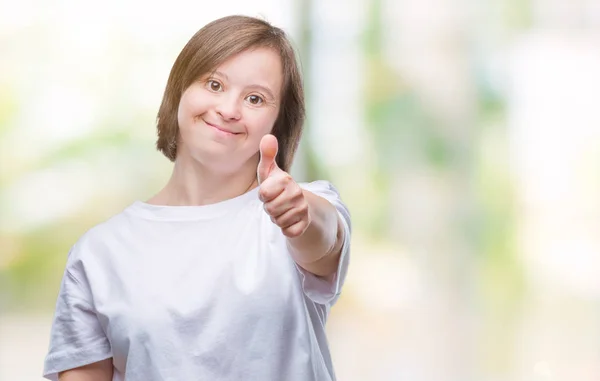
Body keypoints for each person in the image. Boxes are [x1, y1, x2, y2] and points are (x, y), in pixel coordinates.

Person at [43, 15, 351, 381]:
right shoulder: (98, 254)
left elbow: (323, 238)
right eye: (214, 84)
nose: (229, 109)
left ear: (278, 123)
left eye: (255, 98)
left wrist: (301, 216)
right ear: (180, 90)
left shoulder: (300, 209)